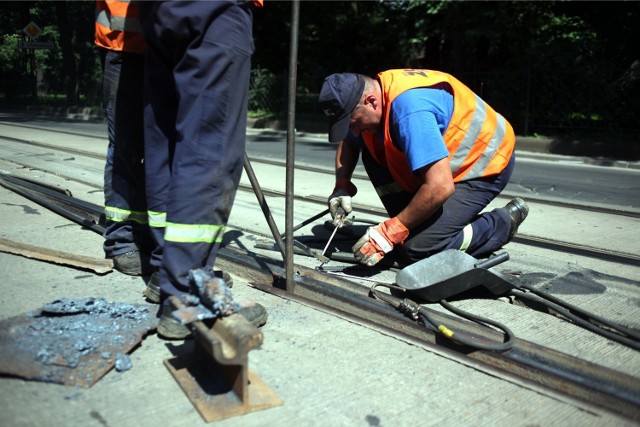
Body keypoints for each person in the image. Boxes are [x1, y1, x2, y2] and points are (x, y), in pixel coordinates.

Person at [138, 0, 266, 339]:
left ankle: (166, 270)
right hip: (213, 10)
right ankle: (185, 297)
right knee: (210, 148)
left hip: (157, 12)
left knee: (166, 145)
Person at [318, 69, 529, 268]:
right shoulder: (374, 98)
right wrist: (342, 185)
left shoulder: (410, 113)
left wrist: (390, 232)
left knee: (419, 248)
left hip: (483, 162)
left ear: (371, 102)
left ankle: (500, 224)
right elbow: (349, 142)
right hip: (441, 168)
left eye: (352, 122)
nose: (353, 130)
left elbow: (440, 187)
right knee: (372, 154)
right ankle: (418, 225)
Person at [94, 0, 154, 276]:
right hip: (124, 45)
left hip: (169, 48)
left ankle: (147, 232)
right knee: (125, 147)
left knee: (160, 151)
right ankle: (122, 239)